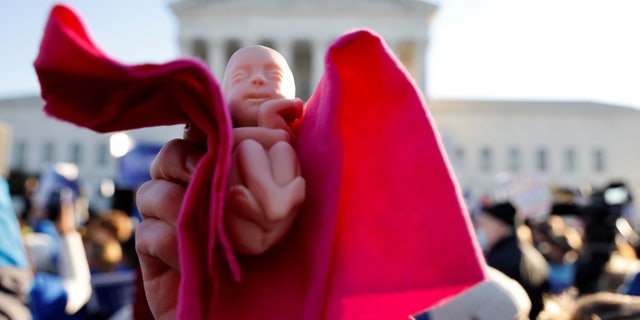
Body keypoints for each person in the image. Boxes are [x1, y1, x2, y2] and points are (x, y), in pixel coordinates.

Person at [136, 45, 305, 319]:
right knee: (250, 151)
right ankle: (267, 203)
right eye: (241, 77)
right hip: (247, 220)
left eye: (273, 75)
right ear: (222, 98)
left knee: (270, 151)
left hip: (274, 211)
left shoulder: (293, 143)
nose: (258, 81)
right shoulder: (226, 140)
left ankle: (273, 202)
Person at [475, 201, 550, 319]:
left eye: (482, 224)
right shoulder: (534, 253)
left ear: (499, 225)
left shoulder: (498, 260)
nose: (478, 229)